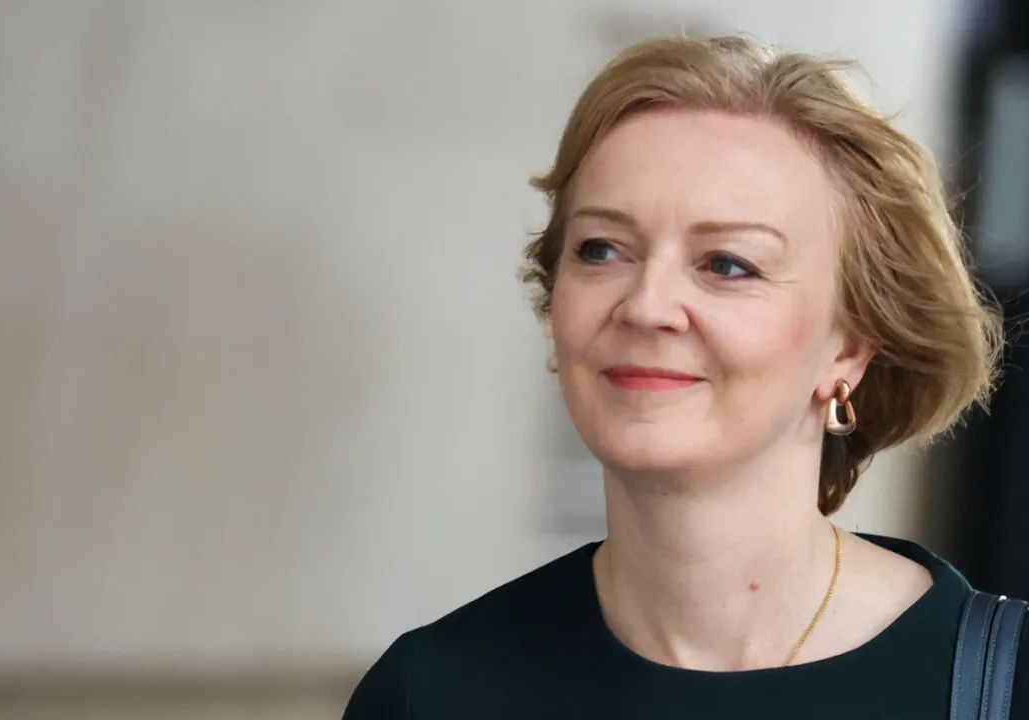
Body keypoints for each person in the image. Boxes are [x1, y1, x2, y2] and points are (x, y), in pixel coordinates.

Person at [342, 34, 1026, 718]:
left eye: (727, 264)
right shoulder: (429, 693)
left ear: (851, 346)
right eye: (601, 250)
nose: (645, 305)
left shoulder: (1004, 683)